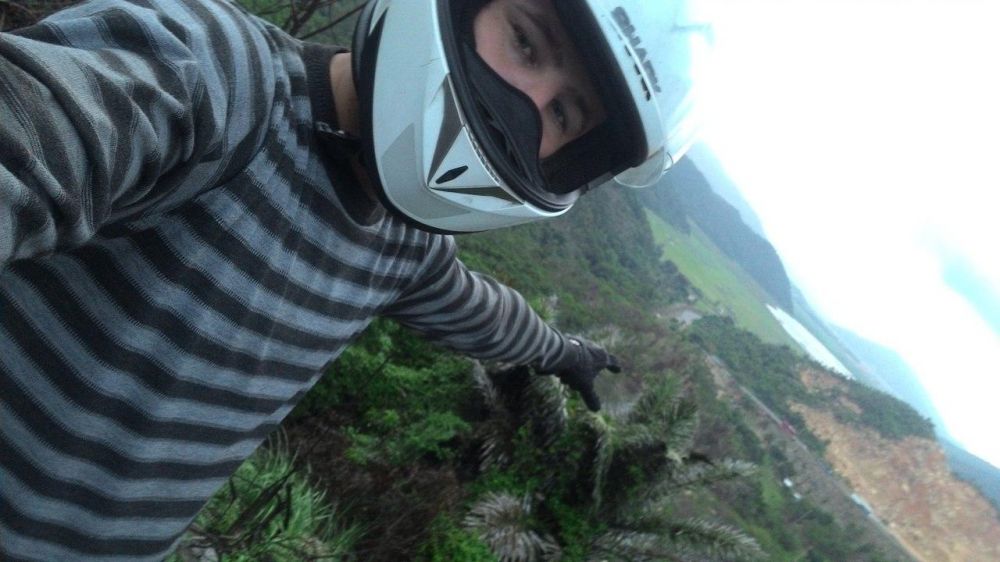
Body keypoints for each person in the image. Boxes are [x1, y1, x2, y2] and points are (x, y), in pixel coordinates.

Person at [0, 0, 708, 559]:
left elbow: (485, 314)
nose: (524, 106)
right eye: (525, 42)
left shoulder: (405, 249)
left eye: (562, 114)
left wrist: (564, 352)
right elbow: (40, 126)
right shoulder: (224, 78)